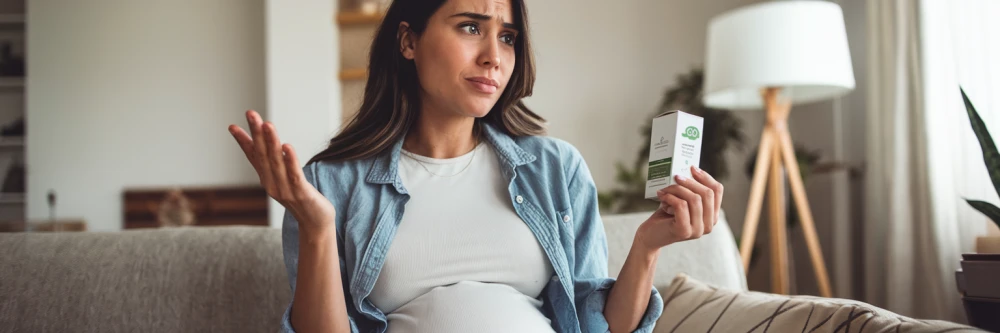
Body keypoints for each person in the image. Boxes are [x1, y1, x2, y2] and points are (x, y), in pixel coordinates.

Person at [227, 0, 724, 332]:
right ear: (408, 41)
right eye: (470, 27)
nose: (494, 57)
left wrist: (647, 246)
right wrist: (316, 227)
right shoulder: (331, 184)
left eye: (507, 37)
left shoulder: (555, 169)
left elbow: (602, 327)